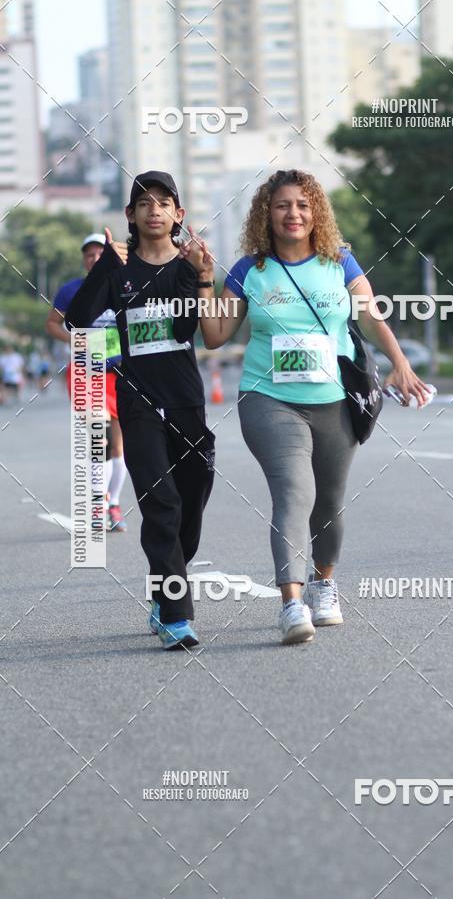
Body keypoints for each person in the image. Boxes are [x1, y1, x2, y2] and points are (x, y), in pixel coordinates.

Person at [179, 168, 428, 645]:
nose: (293, 213)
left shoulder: (341, 264)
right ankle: (291, 603)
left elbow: (371, 319)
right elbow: (213, 337)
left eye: (302, 205)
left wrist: (399, 362)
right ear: (265, 215)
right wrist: (205, 279)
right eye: (282, 206)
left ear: (316, 212)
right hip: (267, 398)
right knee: (295, 491)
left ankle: (323, 583)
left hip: (333, 400)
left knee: (330, 503)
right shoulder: (249, 270)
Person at [65, 171, 215, 650]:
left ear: (178, 214)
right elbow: (76, 319)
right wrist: (105, 266)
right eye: (144, 203)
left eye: (165, 202)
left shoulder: (190, 267)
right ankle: (176, 615)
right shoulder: (118, 270)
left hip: (186, 398)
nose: (154, 210)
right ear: (130, 215)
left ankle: (163, 582)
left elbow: (201, 330)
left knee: (191, 497)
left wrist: (206, 277)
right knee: (161, 501)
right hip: (137, 398)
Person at [46, 233, 129, 533]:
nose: (94, 258)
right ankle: (97, 506)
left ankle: (114, 504)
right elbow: (52, 323)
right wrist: (77, 338)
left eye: (100, 253)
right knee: (100, 440)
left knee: (119, 445)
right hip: (86, 372)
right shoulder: (72, 290)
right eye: (89, 255)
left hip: (120, 373)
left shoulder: (123, 285)